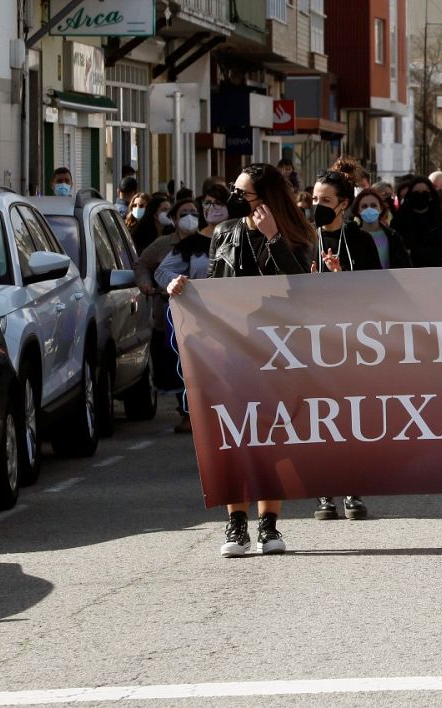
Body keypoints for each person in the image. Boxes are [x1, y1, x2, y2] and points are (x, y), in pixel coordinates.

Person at [167, 163, 314, 557]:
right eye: (235, 189)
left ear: (265, 198)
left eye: (243, 192)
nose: (233, 197)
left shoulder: (297, 236)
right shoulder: (225, 233)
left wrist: (274, 240)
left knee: (272, 437)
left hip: (278, 352)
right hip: (232, 351)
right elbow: (214, 289)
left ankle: (269, 524)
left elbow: (302, 290)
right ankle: (236, 524)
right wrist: (184, 289)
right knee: (233, 435)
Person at [307, 165, 384, 522]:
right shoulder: (304, 240)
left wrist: (341, 280)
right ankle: (324, 491)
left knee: (351, 416)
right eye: (314, 199)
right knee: (319, 418)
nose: (317, 205)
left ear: (343, 205)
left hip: (355, 343)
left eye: (325, 200)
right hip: (312, 343)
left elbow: (375, 294)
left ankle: (353, 487)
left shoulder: (361, 241)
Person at [152, 198, 211, 433]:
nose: (214, 209)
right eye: (209, 203)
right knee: (192, 368)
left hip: (233, 318)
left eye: (219, 203)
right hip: (196, 319)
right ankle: (191, 413)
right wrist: (173, 283)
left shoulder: (239, 237)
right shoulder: (190, 245)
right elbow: (159, 271)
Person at [394, 175, 442, 267]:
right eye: (416, 193)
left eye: (425, 193)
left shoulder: (440, 221)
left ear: (431, 195)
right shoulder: (399, 220)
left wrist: (414, 252)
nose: (420, 196)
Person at [350, 188, 412, 270]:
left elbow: (405, 264)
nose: (369, 209)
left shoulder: (392, 235)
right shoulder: (351, 237)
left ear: (381, 208)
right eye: (364, 206)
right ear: (358, 210)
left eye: (373, 205)